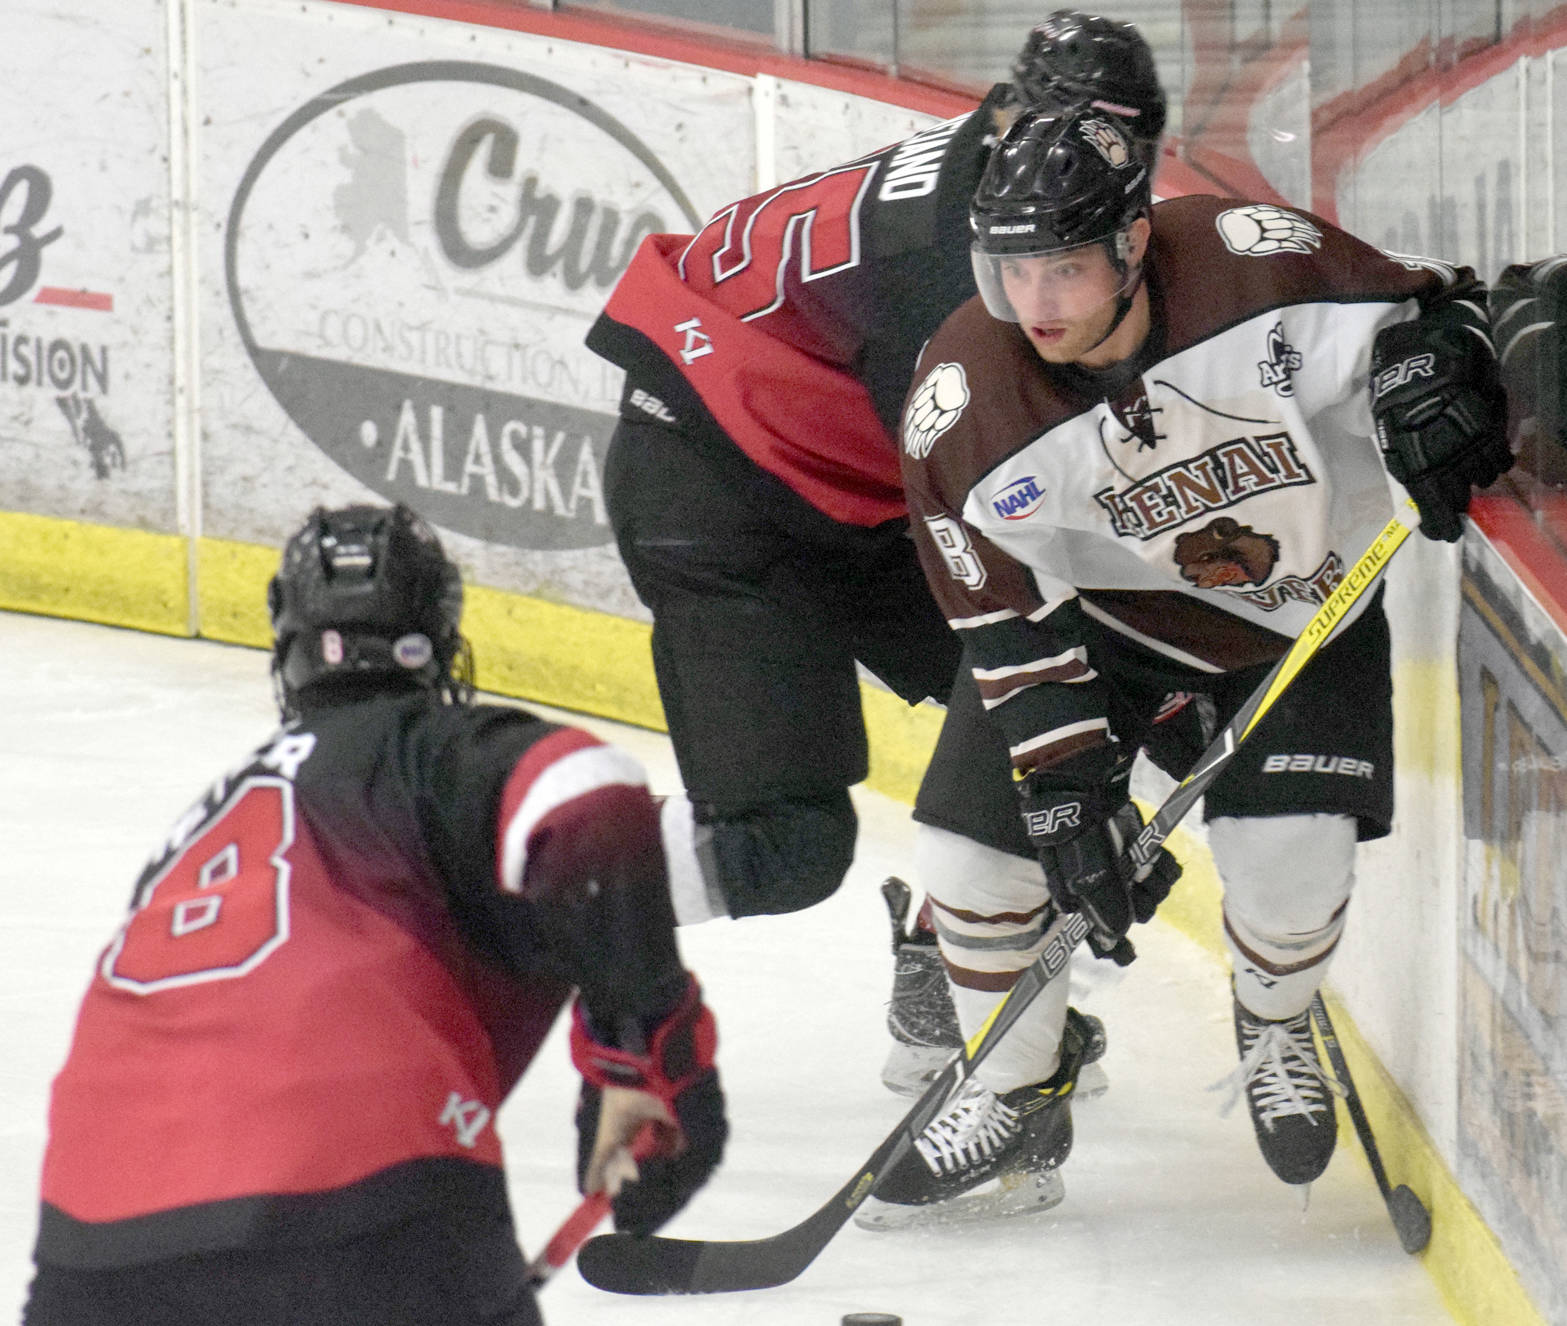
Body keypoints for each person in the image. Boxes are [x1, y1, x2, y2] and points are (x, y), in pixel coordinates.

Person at [869, 103, 1510, 1220]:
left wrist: (1430, 371)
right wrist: (1069, 799)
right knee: (975, 866)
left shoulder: (1254, 265)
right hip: (1105, 631)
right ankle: (1016, 1092)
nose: (1035, 305)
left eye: (1062, 269)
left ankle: (1273, 1015)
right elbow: (1007, 624)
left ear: (1129, 243)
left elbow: (1439, 315)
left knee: (1288, 869)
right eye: (1009, 272)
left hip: (1302, 617)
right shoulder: (961, 407)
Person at [585, 11, 1163, 1107]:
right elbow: (986, 517)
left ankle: (939, 973)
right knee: (784, 847)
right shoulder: (955, 269)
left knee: (1081, 682)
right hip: (713, 487)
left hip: (830, 475)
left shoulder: (1000, 178)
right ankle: (493, 896)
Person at [23, 503, 728, 1326]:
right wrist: (636, 1049)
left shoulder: (198, 833)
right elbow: (585, 794)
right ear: (437, 638)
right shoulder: (427, 750)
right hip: (362, 1204)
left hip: (93, 1240)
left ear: (285, 650)